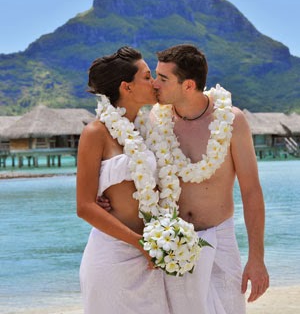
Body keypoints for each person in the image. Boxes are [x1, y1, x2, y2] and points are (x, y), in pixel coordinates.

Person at [99, 44, 269, 314]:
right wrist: (105, 198)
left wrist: (257, 259)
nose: (154, 84)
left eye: (163, 79)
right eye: (154, 76)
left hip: (220, 238)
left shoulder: (232, 121)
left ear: (188, 85)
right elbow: (133, 170)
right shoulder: (155, 119)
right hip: (173, 245)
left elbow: (251, 192)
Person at [76, 46, 170, 314]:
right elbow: (84, 206)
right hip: (114, 257)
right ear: (126, 87)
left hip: (149, 255)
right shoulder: (96, 132)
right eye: (147, 76)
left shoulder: (147, 130)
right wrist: (138, 242)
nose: (154, 83)